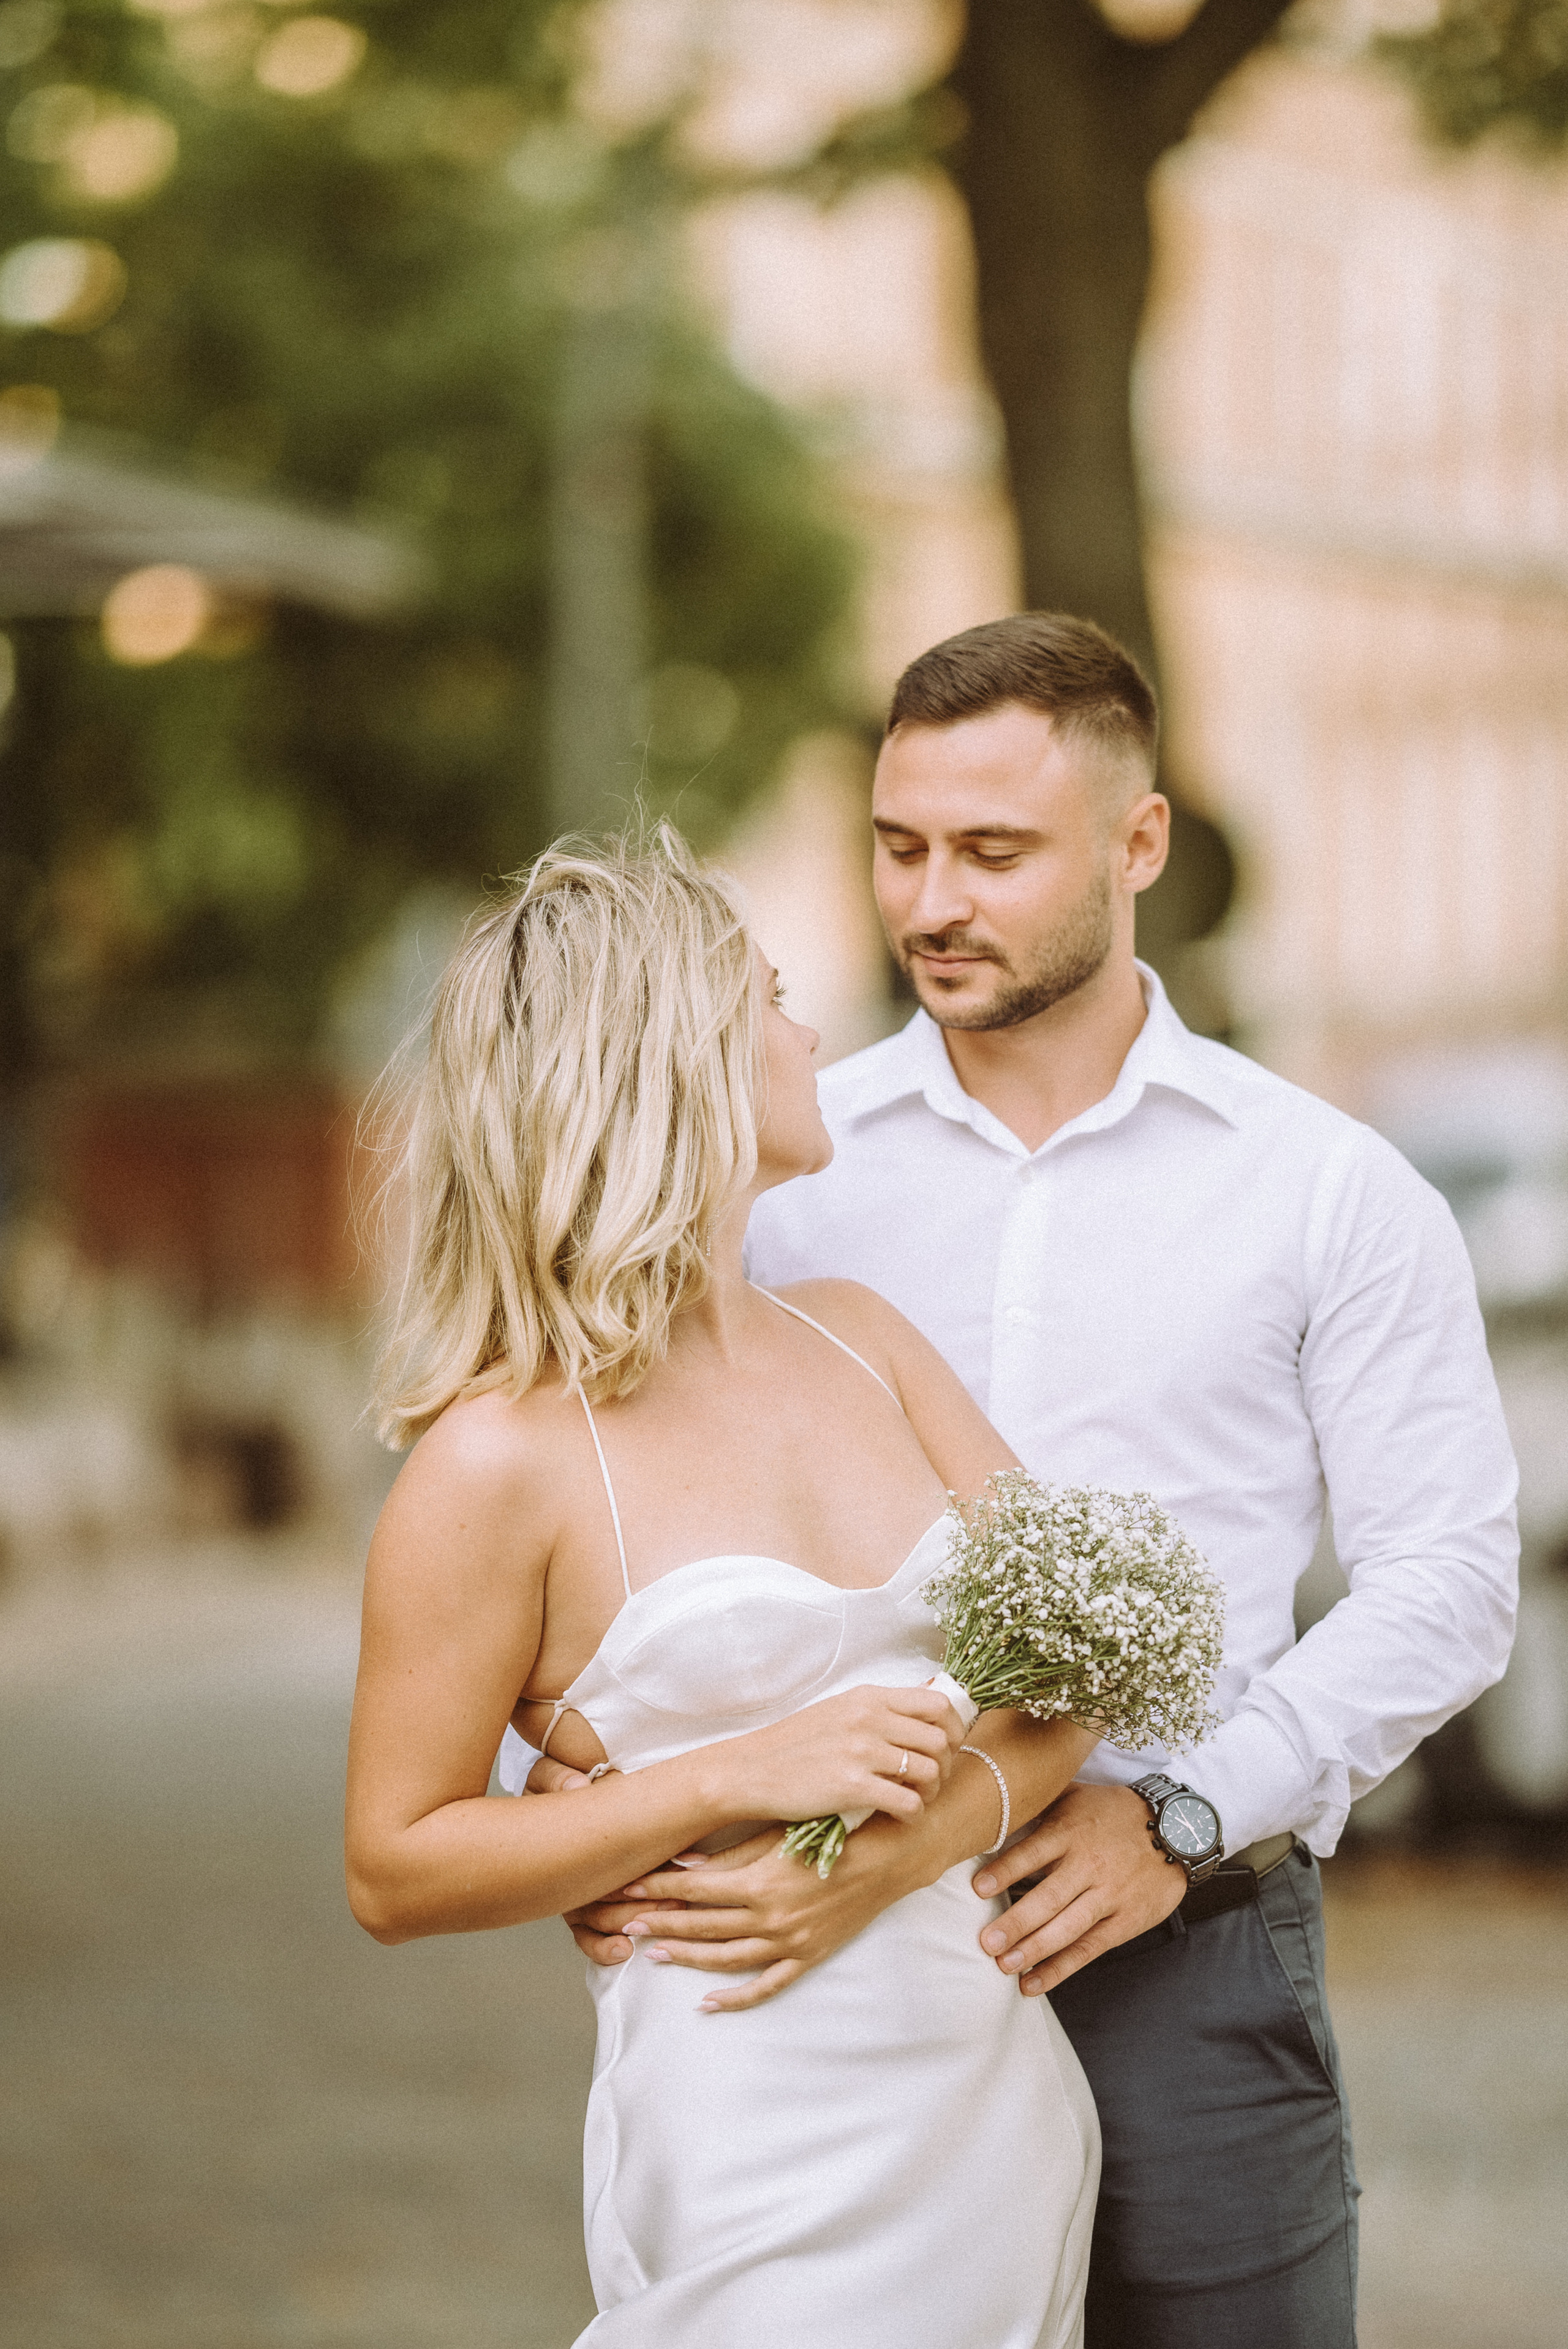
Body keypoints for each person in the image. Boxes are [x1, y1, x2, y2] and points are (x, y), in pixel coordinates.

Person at [543, 616, 1520, 2348]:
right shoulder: (780, 1169)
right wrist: (567, 1802)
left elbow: (1447, 1581)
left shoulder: (1327, 1191)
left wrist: (1184, 1811)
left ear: (1137, 845)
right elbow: (584, 1506)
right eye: (897, 846)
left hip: (1182, 1939)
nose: (930, 901)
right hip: (824, 1963)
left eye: (993, 853)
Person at [344, 826, 1103, 2348]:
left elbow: (1078, 1677)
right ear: (668, 1055)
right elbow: (394, 1865)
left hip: (992, 2097)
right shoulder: (495, 1461)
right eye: (765, 995)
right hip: (756, 2125)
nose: (810, 1025)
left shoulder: (864, 1339)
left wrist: (904, 1842)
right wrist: (734, 1774)